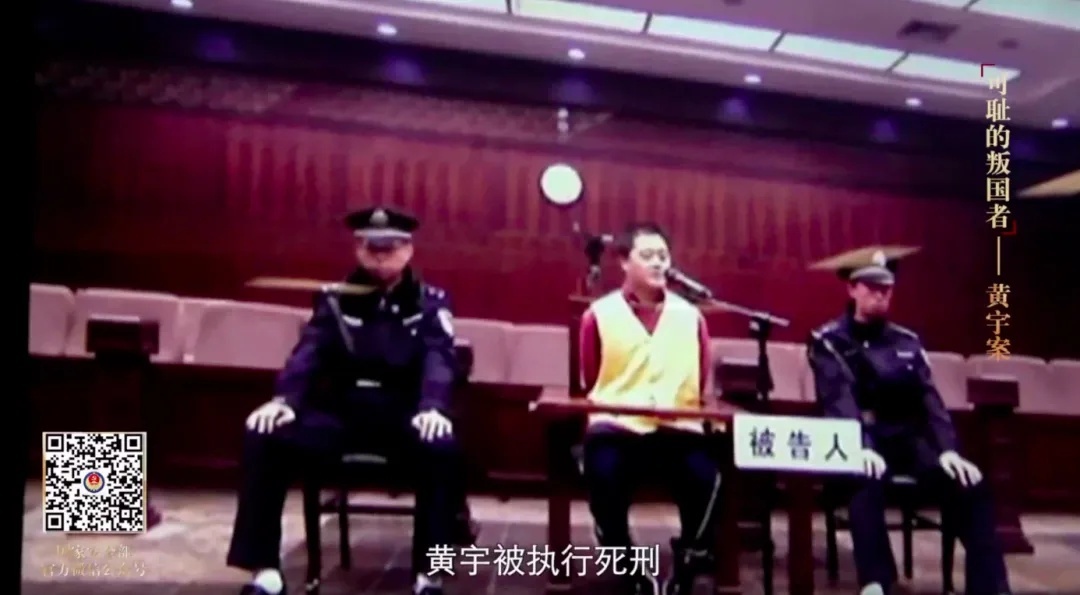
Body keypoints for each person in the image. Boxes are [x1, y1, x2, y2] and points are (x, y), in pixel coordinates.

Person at [226, 207, 473, 595]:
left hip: (401, 417)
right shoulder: (335, 300)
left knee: (441, 444)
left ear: (408, 250)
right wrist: (285, 399)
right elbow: (308, 352)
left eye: (390, 248)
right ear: (358, 249)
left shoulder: (429, 302)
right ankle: (265, 572)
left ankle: (430, 574)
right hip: (343, 416)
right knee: (264, 434)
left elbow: (438, 358)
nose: (380, 257)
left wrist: (433, 406)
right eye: (371, 248)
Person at [807, 246, 1012, 595]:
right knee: (863, 477)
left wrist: (948, 450)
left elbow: (930, 400)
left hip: (908, 442)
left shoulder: (907, 341)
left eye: (886, 289)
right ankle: (877, 582)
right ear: (852, 289)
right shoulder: (828, 341)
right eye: (872, 287)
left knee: (970, 484)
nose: (880, 295)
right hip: (860, 439)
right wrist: (861, 445)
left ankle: (990, 588)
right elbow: (838, 399)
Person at [579, 222, 721, 595]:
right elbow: (591, 376)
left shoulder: (691, 316)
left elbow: (701, 373)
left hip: (678, 424)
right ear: (624, 262)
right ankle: (625, 561)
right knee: (602, 470)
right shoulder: (599, 314)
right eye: (647, 255)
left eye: (663, 256)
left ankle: (689, 559)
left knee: (707, 477)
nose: (658, 263)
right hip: (618, 424)